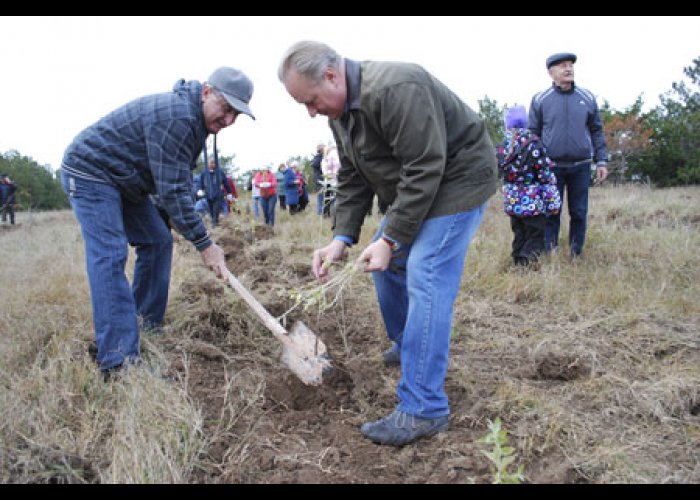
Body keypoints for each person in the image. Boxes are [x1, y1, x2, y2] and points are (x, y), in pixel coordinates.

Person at [279, 40, 498, 446]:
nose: (311, 112)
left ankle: (423, 407)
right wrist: (341, 239)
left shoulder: (397, 87)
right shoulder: (340, 114)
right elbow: (353, 176)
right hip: (419, 187)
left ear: (331, 75)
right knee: (382, 265)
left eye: (311, 101)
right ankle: (410, 344)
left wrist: (392, 237)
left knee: (424, 271)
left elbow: (425, 166)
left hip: (457, 181)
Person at [60, 66, 255, 378]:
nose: (229, 120)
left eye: (236, 115)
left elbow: (171, 180)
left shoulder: (195, 123)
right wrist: (205, 244)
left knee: (158, 240)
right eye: (226, 108)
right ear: (206, 92)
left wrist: (174, 220)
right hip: (91, 172)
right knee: (110, 253)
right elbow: (174, 190)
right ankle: (118, 360)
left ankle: (144, 325)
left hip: (126, 181)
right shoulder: (177, 115)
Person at [529, 52, 609, 258]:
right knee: (551, 212)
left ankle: (576, 253)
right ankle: (550, 251)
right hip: (550, 167)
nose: (568, 69)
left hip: (581, 165)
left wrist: (601, 161)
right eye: (563, 65)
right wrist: (534, 165)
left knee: (579, 212)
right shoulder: (540, 99)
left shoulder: (587, 97)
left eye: (571, 65)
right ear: (551, 72)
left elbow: (597, 130)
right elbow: (533, 134)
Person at [496, 105, 561, 267]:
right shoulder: (533, 143)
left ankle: (517, 259)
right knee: (535, 233)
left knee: (519, 232)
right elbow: (544, 173)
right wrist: (551, 198)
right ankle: (527, 262)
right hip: (532, 201)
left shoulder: (503, 147)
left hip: (512, 199)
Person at [200, 157, 234, 226]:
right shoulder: (204, 173)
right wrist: (200, 189)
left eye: (214, 163)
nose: (213, 164)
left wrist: (229, 192)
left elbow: (226, 182)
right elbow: (201, 183)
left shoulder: (220, 172)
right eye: (211, 163)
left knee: (216, 209)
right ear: (208, 164)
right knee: (211, 210)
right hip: (208, 194)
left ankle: (214, 224)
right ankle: (215, 222)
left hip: (218, 194)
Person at [310, 143, 326, 215]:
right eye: (324, 148)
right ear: (321, 149)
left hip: (320, 179)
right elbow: (316, 165)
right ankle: (320, 211)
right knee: (321, 195)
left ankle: (322, 211)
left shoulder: (318, 157)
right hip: (320, 180)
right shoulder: (319, 157)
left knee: (322, 195)